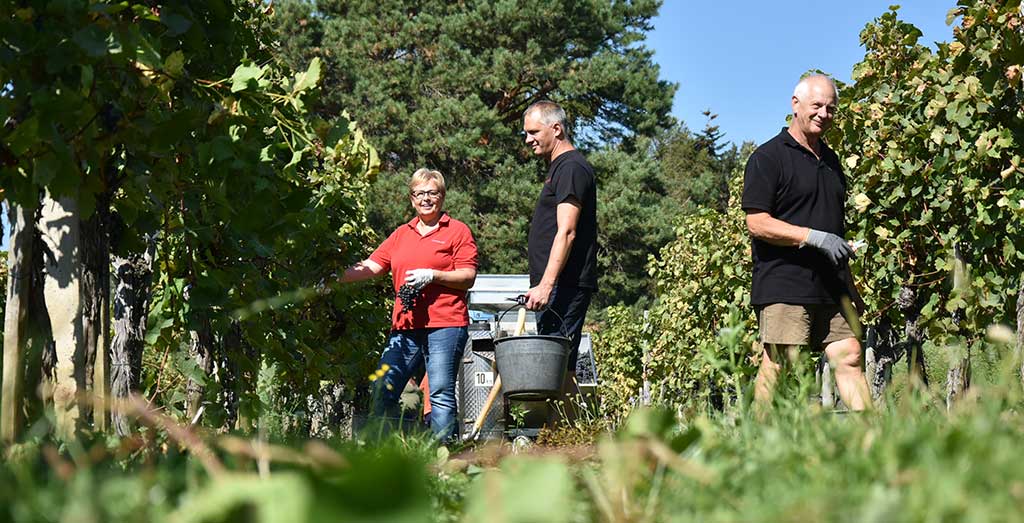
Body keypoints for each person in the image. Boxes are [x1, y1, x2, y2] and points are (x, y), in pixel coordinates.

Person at [742, 74, 872, 411]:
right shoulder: (768, 157)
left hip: (831, 285)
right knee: (781, 363)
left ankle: (876, 444)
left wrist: (852, 290)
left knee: (850, 357)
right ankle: (753, 448)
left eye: (831, 108)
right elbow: (756, 223)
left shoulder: (832, 163)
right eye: (817, 106)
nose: (824, 114)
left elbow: (835, 233)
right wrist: (811, 237)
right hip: (786, 283)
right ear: (795, 105)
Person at [336, 168, 478, 442]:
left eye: (432, 193)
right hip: (405, 326)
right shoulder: (402, 234)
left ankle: (443, 455)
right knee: (382, 385)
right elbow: (372, 265)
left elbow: (467, 277)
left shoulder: (457, 231)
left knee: (439, 391)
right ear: (412, 198)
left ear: (442, 196)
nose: (426, 199)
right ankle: (387, 452)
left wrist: (433, 275)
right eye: (420, 193)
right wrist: (335, 276)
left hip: (445, 324)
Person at [522, 100, 599, 379]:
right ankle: (557, 424)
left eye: (533, 132)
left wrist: (546, 285)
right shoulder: (559, 167)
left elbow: (567, 231)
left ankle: (558, 425)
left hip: (563, 285)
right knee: (555, 366)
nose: (528, 140)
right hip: (555, 286)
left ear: (556, 129)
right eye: (526, 134)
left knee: (555, 367)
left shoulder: (571, 168)